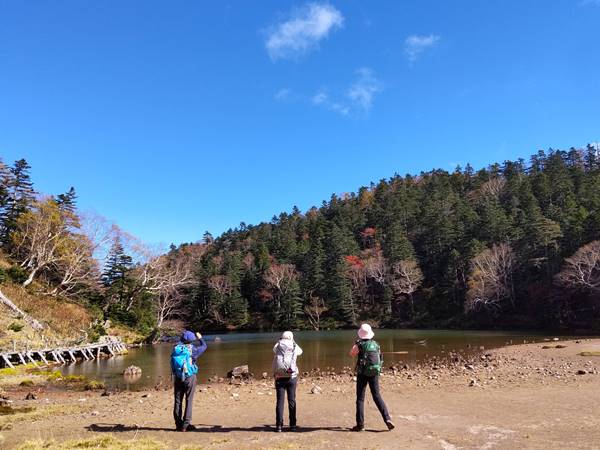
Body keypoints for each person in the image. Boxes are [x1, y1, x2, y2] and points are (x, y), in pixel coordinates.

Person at [349, 323, 395, 432]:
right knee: (377, 396)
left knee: (360, 399)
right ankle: (387, 418)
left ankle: (360, 425)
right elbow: (379, 358)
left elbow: (351, 354)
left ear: (361, 334)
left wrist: (356, 345)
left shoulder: (358, 344)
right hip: (374, 372)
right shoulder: (376, 344)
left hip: (362, 373)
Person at [171, 330, 207, 432]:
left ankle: (178, 424)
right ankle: (185, 425)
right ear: (192, 340)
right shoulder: (193, 349)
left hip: (178, 377)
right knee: (189, 400)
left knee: (178, 401)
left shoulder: (176, 349)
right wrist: (200, 338)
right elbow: (204, 346)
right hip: (189, 377)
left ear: (182, 339)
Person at [272, 331, 303, 432]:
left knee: (280, 401)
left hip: (279, 376)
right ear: (291, 337)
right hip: (292, 376)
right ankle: (293, 425)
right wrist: (293, 342)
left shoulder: (278, 345)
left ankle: (279, 425)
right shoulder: (294, 345)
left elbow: (274, 350)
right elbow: (300, 352)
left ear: (282, 337)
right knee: (292, 400)